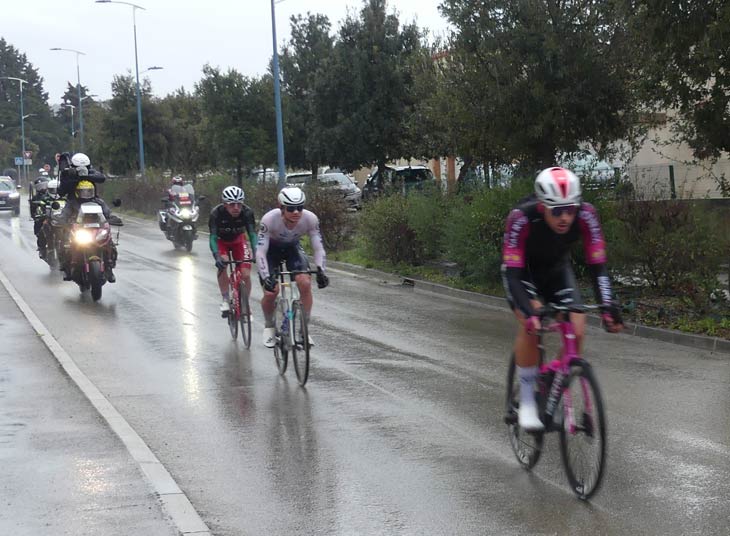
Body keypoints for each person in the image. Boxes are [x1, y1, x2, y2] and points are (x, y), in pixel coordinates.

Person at [501, 166, 623, 431]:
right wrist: (530, 312)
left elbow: (598, 266)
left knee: (577, 330)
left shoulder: (587, 215)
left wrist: (608, 305)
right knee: (531, 324)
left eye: (570, 209)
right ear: (542, 206)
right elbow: (513, 275)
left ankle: (553, 382)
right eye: (557, 211)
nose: (565, 217)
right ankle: (527, 401)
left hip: (557, 271)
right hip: (523, 273)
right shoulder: (521, 218)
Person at [256, 186, 329, 348]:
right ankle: (269, 325)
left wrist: (321, 270)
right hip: (271, 251)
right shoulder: (269, 219)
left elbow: (318, 247)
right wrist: (266, 277)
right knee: (271, 292)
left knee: (305, 282)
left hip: (292, 249)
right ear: (281, 208)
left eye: (300, 207)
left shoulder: (310, 219)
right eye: (290, 208)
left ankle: (304, 330)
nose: (296, 212)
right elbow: (260, 251)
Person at [208, 186, 257, 316]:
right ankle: (225, 298)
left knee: (246, 274)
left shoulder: (247, 212)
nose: (236, 208)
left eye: (239, 204)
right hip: (221, 241)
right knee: (223, 264)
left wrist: (256, 251)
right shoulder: (216, 213)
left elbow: (252, 234)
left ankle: (245, 302)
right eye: (232, 204)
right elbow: (213, 238)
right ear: (225, 204)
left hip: (238, 240)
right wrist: (217, 256)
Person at [59, 180, 117, 283]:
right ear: (78, 192)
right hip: (79, 228)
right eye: (83, 191)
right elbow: (65, 214)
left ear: (93, 191)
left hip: (97, 228)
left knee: (110, 244)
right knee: (66, 246)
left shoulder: (99, 202)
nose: (86, 194)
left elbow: (107, 212)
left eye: (89, 191)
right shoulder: (72, 202)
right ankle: (67, 268)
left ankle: (109, 268)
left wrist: (112, 218)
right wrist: (63, 220)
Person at [30, 179, 53, 258]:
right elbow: (33, 210)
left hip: (55, 217)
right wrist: (36, 216)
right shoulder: (36, 198)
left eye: (44, 186)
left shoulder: (54, 195)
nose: (43, 188)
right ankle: (42, 248)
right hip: (42, 218)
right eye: (40, 186)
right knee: (40, 231)